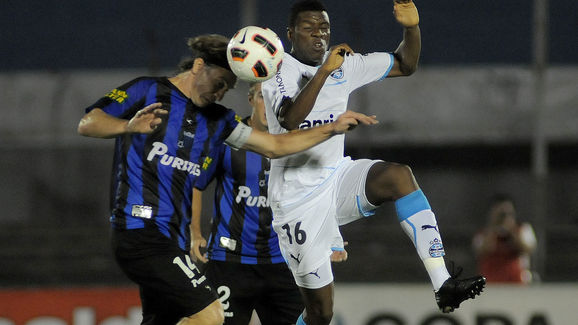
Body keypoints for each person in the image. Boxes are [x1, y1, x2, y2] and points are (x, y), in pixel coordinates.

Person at [77, 34, 377, 325]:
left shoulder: (219, 120)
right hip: (140, 231)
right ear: (198, 66)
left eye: (227, 88)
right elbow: (88, 123)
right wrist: (127, 126)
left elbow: (275, 146)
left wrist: (330, 128)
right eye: (219, 83)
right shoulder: (147, 91)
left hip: (174, 239)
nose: (220, 93)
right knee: (210, 316)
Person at [261, 0, 485, 323]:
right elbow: (291, 119)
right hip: (295, 202)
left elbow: (406, 64)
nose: (319, 36)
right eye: (309, 29)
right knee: (321, 313)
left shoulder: (345, 65)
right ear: (290, 34)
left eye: (324, 28)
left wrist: (411, 28)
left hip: (335, 178)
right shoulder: (277, 68)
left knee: (398, 177)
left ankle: (443, 283)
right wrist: (325, 71)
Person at [190, 82, 348, 325]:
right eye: (263, 97)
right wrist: (194, 232)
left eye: (276, 98)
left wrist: (330, 237)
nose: (269, 104)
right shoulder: (228, 138)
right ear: (251, 99)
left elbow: (321, 191)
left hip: (284, 264)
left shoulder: (299, 141)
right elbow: (195, 184)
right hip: (230, 261)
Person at [473, 194, 537, 284]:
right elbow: (482, 250)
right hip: (491, 283)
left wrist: (511, 229)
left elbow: (527, 248)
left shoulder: (522, 229)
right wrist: (493, 228)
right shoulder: (483, 233)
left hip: (516, 283)